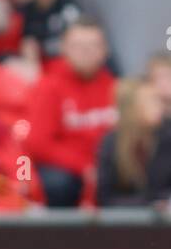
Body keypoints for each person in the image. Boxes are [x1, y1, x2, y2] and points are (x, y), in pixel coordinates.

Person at [25, 18, 118, 206]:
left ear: (105, 50)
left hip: (106, 166)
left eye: (93, 46)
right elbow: (37, 143)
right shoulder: (49, 85)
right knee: (57, 183)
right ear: (64, 49)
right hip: (67, 170)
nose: (86, 52)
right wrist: (83, 166)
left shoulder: (115, 87)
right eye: (78, 46)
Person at [95, 77, 171, 208]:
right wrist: (147, 205)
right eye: (151, 100)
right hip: (126, 222)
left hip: (169, 222)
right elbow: (105, 197)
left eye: (158, 99)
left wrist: (166, 201)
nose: (160, 105)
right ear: (131, 107)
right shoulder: (111, 143)